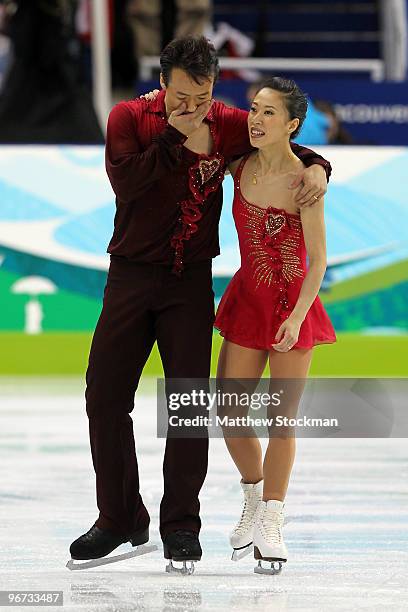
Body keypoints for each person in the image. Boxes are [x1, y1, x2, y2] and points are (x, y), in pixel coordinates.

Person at [68, 36, 332, 572]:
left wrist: (319, 164)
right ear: (162, 83)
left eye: (203, 95)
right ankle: (120, 519)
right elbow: (126, 182)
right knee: (103, 397)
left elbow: (277, 141)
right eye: (182, 96)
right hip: (131, 275)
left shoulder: (229, 123)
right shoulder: (128, 117)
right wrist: (174, 134)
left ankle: (181, 526)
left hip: (189, 283)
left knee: (187, 405)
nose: (193, 107)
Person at [214, 77, 336, 573]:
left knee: (281, 420)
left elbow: (320, 260)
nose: (256, 119)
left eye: (269, 113)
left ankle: (273, 518)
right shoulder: (236, 166)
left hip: (293, 307)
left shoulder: (305, 180)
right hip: (248, 300)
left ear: (292, 124)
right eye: (254, 110)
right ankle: (254, 494)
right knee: (230, 409)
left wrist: (297, 316)